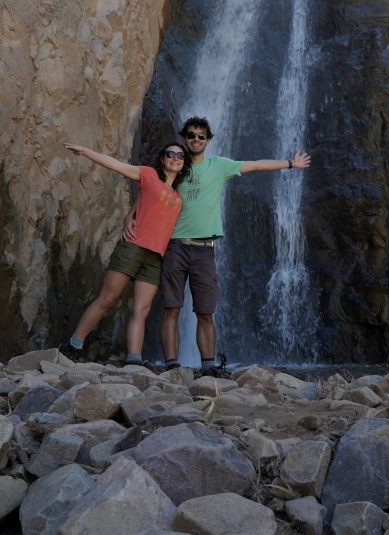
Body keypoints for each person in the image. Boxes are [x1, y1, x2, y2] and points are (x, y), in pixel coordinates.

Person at [130, 116, 310, 376]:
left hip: (204, 249)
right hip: (175, 246)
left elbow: (256, 166)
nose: (196, 139)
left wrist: (291, 163)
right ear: (184, 138)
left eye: (201, 136)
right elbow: (151, 191)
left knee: (205, 312)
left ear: (209, 140)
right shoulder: (176, 168)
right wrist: (130, 216)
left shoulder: (220, 166)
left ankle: (208, 367)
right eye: (191, 135)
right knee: (171, 308)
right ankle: (172, 366)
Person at [58, 141, 191, 365]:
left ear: (184, 163)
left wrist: (130, 213)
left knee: (142, 309)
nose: (175, 158)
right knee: (107, 298)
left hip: (156, 256)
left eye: (180, 155)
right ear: (163, 159)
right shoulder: (149, 176)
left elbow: (147, 202)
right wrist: (86, 150)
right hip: (133, 246)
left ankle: (134, 360)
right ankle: (73, 344)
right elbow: (117, 165)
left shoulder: (179, 194)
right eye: (170, 154)